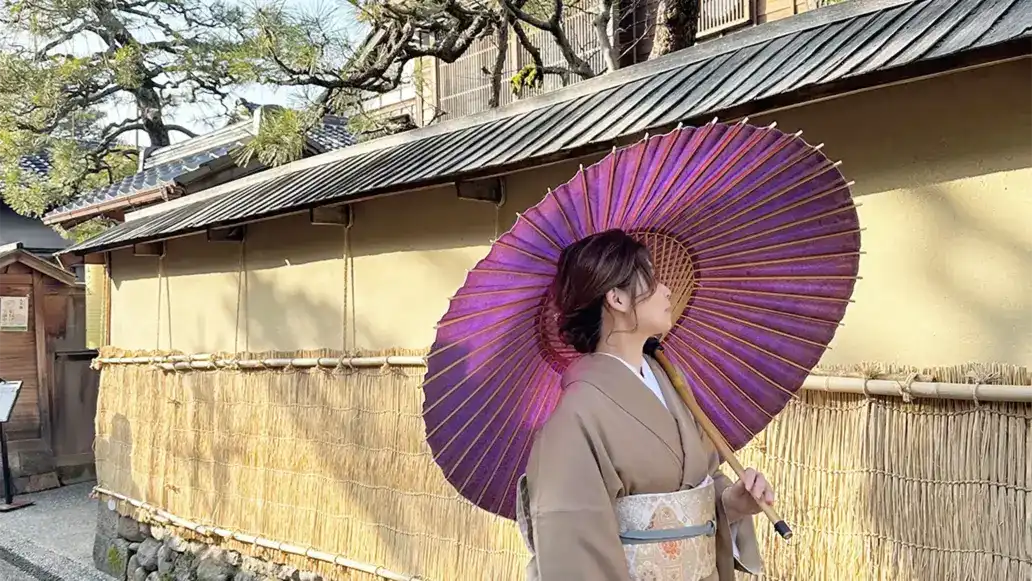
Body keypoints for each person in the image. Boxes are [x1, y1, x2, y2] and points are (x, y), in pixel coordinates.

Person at [515, 229, 775, 581]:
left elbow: (701, 485)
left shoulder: (671, 388)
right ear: (617, 299)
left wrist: (731, 503)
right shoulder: (576, 417)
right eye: (651, 279)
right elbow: (574, 553)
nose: (666, 289)